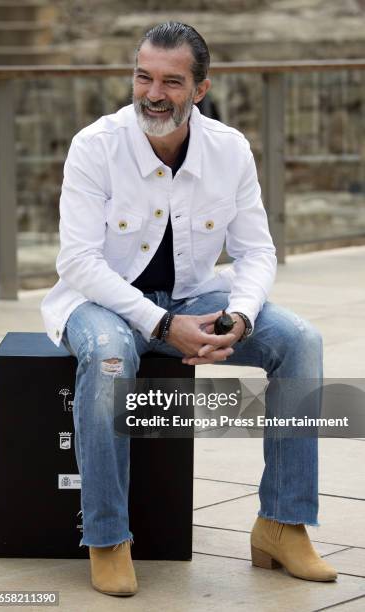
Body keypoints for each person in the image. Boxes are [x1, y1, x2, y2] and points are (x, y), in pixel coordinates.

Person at [41, 21, 337, 597]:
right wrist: (158, 323)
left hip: (196, 298)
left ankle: (282, 524)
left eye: (171, 82)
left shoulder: (229, 149)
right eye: (143, 76)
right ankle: (106, 538)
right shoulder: (95, 145)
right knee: (107, 357)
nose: (153, 93)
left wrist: (243, 316)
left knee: (300, 341)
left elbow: (256, 252)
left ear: (200, 89)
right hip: (102, 301)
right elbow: (78, 262)